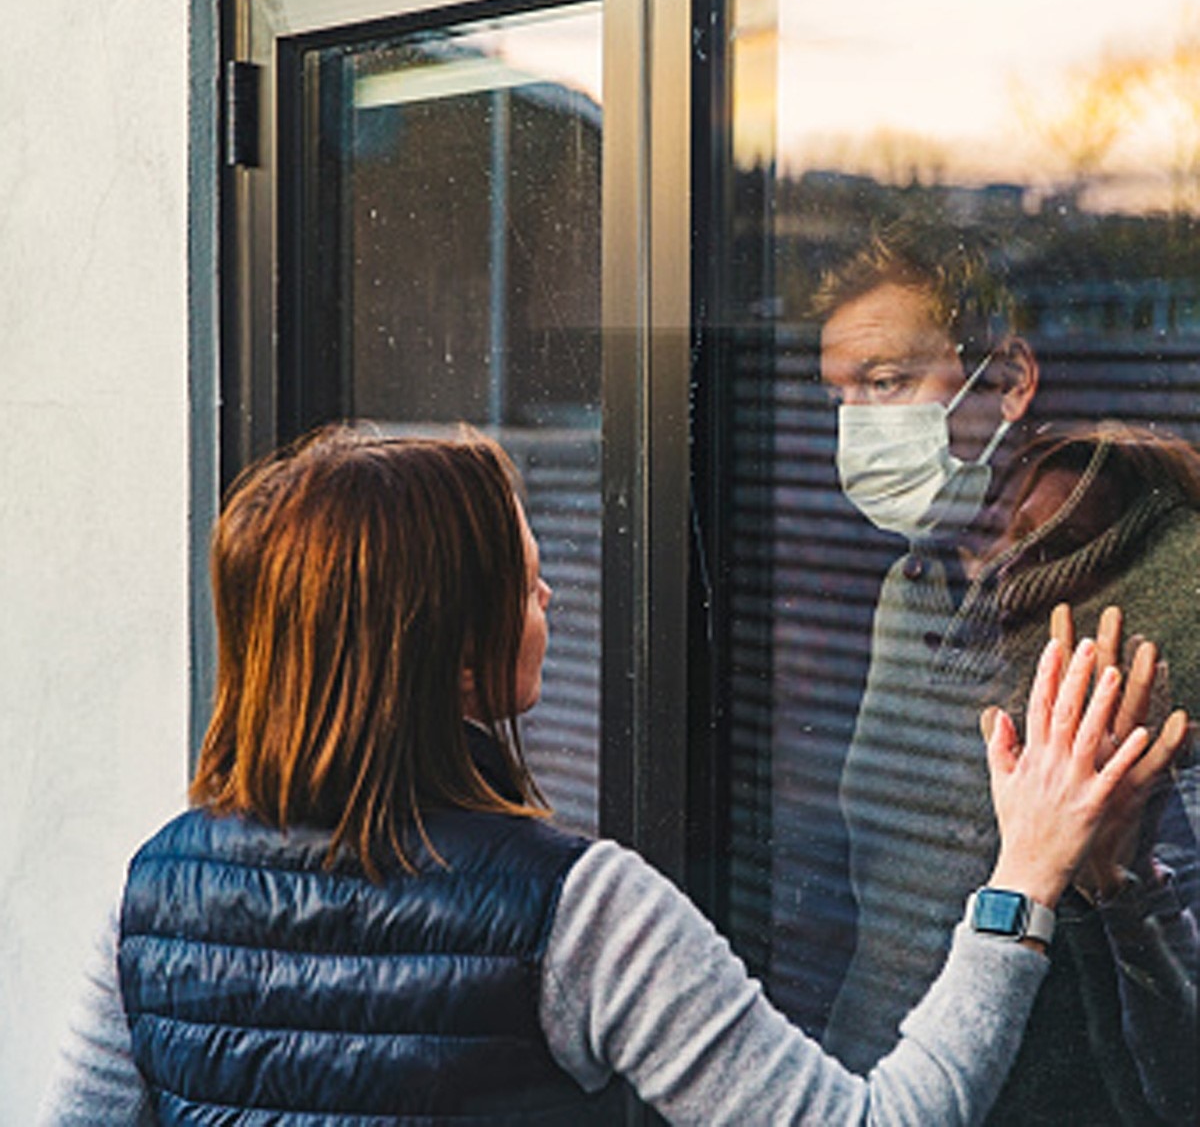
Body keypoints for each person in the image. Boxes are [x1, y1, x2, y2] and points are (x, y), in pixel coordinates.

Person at [40, 424, 1174, 1126]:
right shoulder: (576, 910)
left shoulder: (154, 892)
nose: (549, 597)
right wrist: (1025, 876)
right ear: (451, 645)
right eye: (525, 579)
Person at [816, 226, 1199, 1124]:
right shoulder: (911, 592)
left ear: (1010, 380)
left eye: (887, 382)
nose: (858, 426)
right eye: (841, 397)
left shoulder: (1169, 590)